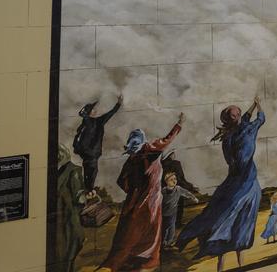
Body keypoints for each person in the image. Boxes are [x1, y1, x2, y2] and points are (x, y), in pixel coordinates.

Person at [177, 97, 266, 272]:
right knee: (239, 219)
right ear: (234, 118)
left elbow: (245, 118)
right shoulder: (247, 130)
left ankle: (222, 262)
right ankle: (240, 263)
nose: (239, 115)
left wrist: (254, 104)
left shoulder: (228, 135)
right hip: (246, 181)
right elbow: (260, 119)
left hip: (232, 181)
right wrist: (259, 105)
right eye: (237, 114)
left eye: (239, 113)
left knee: (222, 214)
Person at [99, 113, 183, 271]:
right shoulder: (151, 149)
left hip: (133, 202)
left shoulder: (131, 159)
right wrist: (179, 124)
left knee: (128, 233)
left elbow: (121, 182)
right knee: (151, 233)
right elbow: (167, 139)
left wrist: (135, 191)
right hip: (150, 202)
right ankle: (147, 260)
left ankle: (120, 262)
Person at [73, 94, 122, 194]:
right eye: (93, 109)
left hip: (87, 154)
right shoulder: (94, 122)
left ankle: (88, 190)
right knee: (91, 172)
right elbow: (110, 113)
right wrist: (118, 104)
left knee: (89, 172)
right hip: (91, 154)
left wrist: (118, 104)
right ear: (90, 112)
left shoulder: (87, 122)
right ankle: (89, 191)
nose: (96, 111)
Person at [53, 144, 86, 272]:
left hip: (69, 219)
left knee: (67, 250)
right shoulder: (62, 170)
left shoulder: (74, 170)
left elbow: (79, 197)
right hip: (63, 219)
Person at [161, 172, 198, 248]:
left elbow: (186, 193)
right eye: (171, 180)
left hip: (172, 213)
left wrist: (194, 198)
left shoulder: (178, 189)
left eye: (175, 179)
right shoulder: (163, 191)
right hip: (163, 213)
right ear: (166, 182)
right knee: (164, 228)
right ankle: (163, 242)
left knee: (171, 227)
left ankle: (169, 241)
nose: (174, 181)